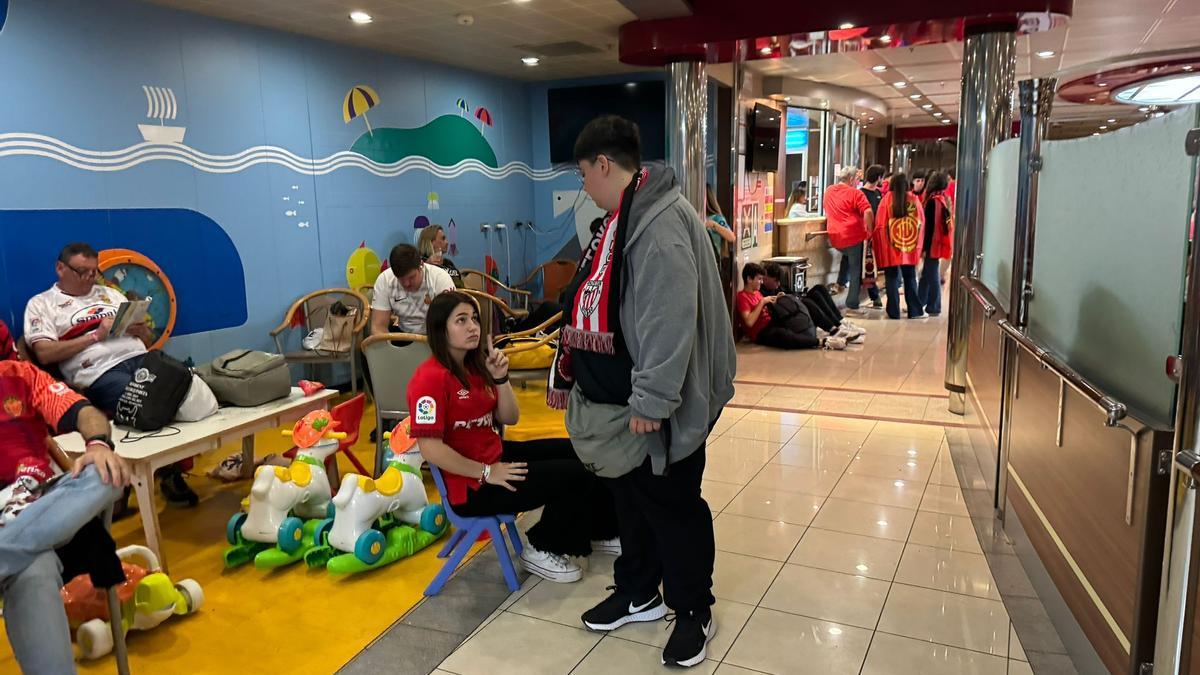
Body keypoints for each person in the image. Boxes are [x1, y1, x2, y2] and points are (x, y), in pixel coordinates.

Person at [557, 115, 735, 668]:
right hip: (629, 405)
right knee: (632, 500)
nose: (584, 187)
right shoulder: (627, 214)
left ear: (605, 165)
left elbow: (670, 319)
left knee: (673, 504)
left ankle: (692, 610)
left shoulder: (654, 223)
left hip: (664, 407)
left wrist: (653, 401)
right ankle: (638, 590)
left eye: (584, 175)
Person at [406, 292, 618, 583]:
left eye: (475, 319)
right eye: (461, 320)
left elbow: (509, 418)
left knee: (582, 452)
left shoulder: (474, 366)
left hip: (495, 456)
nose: (473, 327)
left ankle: (596, 530)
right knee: (573, 475)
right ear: (441, 329)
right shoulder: (429, 379)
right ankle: (542, 547)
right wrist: (486, 472)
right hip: (471, 487)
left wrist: (501, 378)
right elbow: (430, 449)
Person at [0, 318, 131, 674]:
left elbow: (84, 411)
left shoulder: (21, 376)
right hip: (28, 533)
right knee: (34, 568)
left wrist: (99, 444)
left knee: (108, 474)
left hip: (37, 502)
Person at [24, 243, 196, 507]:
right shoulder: (42, 304)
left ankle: (170, 469)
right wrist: (95, 336)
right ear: (60, 268)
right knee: (149, 403)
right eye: (82, 272)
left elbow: (148, 339)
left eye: (94, 272)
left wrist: (140, 331)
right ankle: (151, 477)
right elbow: (44, 353)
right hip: (100, 371)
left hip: (141, 357)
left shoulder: (110, 295)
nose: (90, 279)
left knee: (190, 388)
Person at [737, 264, 850, 350]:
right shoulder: (742, 297)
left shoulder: (756, 293)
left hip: (772, 320)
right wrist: (762, 302)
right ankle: (823, 342)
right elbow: (749, 322)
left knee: (806, 304)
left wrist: (778, 299)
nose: (761, 282)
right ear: (749, 279)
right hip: (761, 332)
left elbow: (767, 304)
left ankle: (834, 329)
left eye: (762, 279)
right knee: (783, 335)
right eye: (759, 279)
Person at [760, 262, 865, 342]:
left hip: (793, 306)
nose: (778, 284)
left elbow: (789, 292)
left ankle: (840, 322)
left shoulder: (776, 287)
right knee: (808, 302)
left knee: (819, 289)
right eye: (775, 281)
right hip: (789, 315)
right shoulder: (762, 292)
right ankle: (833, 330)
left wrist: (794, 297)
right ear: (766, 278)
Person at [370, 243, 456, 335]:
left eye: (411, 277)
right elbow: (378, 327)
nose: (407, 284)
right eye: (401, 279)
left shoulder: (440, 279)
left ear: (421, 266)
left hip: (435, 335)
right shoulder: (385, 280)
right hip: (403, 334)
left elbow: (452, 324)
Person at [872, 173, 926, 319]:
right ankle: (914, 311)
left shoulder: (885, 201)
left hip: (890, 246)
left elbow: (880, 225)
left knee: (891, 277)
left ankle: (893, 311)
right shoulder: (914, 200)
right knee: (910, 277)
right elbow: (920, 223)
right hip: (909, 247)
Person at [823, 166, 875, 313]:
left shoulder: (829, 191)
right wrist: (870, 230)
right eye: (857, 179)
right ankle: (852, 304)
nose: (858, 182)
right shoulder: (856, 194)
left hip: (834, 238)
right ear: (851, 179)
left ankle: (841, 283)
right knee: (856, 269)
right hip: (853, 237)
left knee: (848, 259)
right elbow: (868, 211)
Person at [918, 171, 954, 316]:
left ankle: (934, 306)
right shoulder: (943, 199)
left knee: (932, 275)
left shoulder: (932, 201)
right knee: (926, 274)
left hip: (932, 244)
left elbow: (929, 227)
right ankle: (919, 301)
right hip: (939, 242)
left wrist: (924, 247)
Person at [858, 165, 886, 309]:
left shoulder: (879, 193)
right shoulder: (860, 193)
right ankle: (874, 296)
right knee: (867, 267)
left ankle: (875, 295)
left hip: (877, 235)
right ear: (878, 177)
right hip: (864, 236)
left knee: (873, 267)